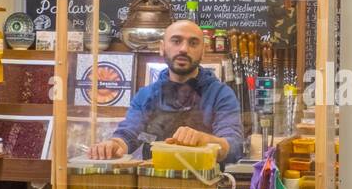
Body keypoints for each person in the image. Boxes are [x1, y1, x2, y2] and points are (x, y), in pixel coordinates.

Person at [88, 19, 244, 163]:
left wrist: (206, 141)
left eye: (193, 43)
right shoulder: (145, 96)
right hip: (153, 186)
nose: (183, 49)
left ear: (203, 51)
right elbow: (128, 134)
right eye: (176, 41)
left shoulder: (221, 94)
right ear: (162, 48)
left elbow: (234, 146)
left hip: (202, 188)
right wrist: (113, 145)